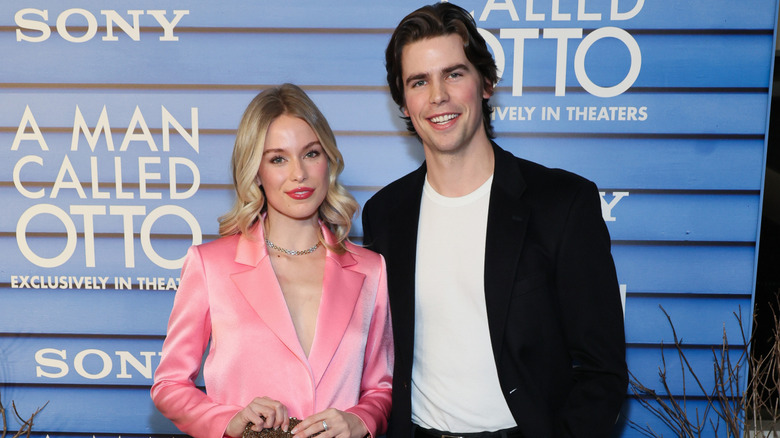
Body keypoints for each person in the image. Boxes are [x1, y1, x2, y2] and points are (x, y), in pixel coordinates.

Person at [361, 4, 627, 438]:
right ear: (404, 104)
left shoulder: (562, 204)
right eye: (419, 81)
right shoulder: (385, 215)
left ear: (486, 83)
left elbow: (603, 372)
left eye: (454, 74)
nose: (438, 96)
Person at [152, 84, 393, 438]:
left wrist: (360, 419)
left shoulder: (371, 270)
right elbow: (169, 385)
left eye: (311, 153)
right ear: (256, 171)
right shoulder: (210, 266)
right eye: (278, 158)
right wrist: (228, 421)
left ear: (328, 159)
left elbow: (381, 388)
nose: (299, 173)